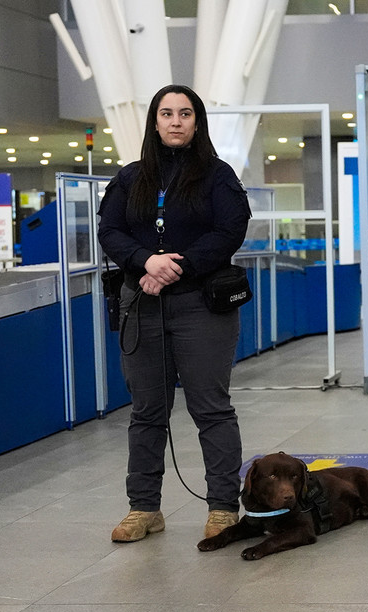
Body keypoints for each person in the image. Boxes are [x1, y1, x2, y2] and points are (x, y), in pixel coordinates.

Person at [97, 84, 251, 543]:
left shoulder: (217, 176)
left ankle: (223, 507)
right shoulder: (130, 178)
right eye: (167, 113)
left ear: (197, 122)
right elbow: (110, 229)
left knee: (212, 409)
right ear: (155, 121)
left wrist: (172, 268)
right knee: (146, 412)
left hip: (201, 307)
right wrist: (146, 262)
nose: (176, 121)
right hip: (140, 305)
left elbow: (230, 229)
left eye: (185, 113)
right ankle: (144, 507)